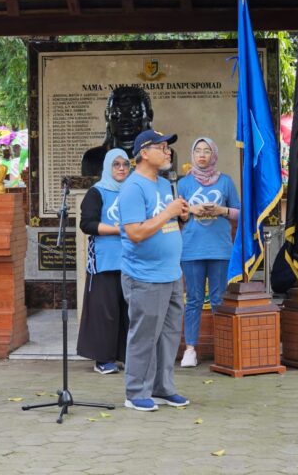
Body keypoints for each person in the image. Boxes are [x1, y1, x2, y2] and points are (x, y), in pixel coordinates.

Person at [118, 129, 190, 412]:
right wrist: (169, 213)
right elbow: (135, 232)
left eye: (168, 147)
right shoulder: (133, 188)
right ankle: (135, 392)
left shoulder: (163, 184)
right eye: (161, 147)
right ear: (144, 153)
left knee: (169, 335)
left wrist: (181, 218)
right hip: (145, 276)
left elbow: (166, 224)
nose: (168, 151)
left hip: (171, 273)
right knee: (144, 335)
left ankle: (162, 388)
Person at [176, 137, 240, 368]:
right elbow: (177, 215)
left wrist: (222, 210)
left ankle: (224, 347)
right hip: (191, 249)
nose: (202, 155)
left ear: (213, 154)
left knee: (218, 299)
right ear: (192, 155)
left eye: (206, 151)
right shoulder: (184, 184)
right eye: (197, 151)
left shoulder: (225, 182)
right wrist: (191, 209)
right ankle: (190, 349)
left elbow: (240, 213)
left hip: (220, 249)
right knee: (192, 299)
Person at [76, 148, 131, 374]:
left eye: (125, 164)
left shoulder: (133, 190)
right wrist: (118, 230)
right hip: (104, 261)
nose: (121, 169)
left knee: (129, 311)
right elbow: (87, 224)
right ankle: (103, 359)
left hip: (131, 260)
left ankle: (127, 356)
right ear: (107, 167)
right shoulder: (96, 192)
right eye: (116, 164)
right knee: (104, 310)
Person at [81, 86, 153, 176]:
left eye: (134, 113)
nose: (124, 120)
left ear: (150, 116)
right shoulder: (92, 158)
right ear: (107, 117)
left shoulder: (164, 156)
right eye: (116, 114)